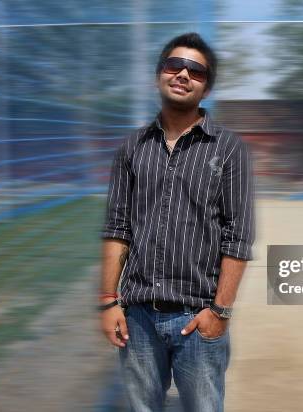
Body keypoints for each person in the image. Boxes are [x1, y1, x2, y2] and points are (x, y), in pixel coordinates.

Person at [98, 32, 255, 412]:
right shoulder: (132, 148)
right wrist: (107, 302)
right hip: (137, 321)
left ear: (206, 88)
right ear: (159, 76)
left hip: (197, 321)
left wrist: (220, 313)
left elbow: (238, 237)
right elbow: (117, 229)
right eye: (174, 65)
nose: (183, 74)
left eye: (196, 71)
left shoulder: (229, 149)